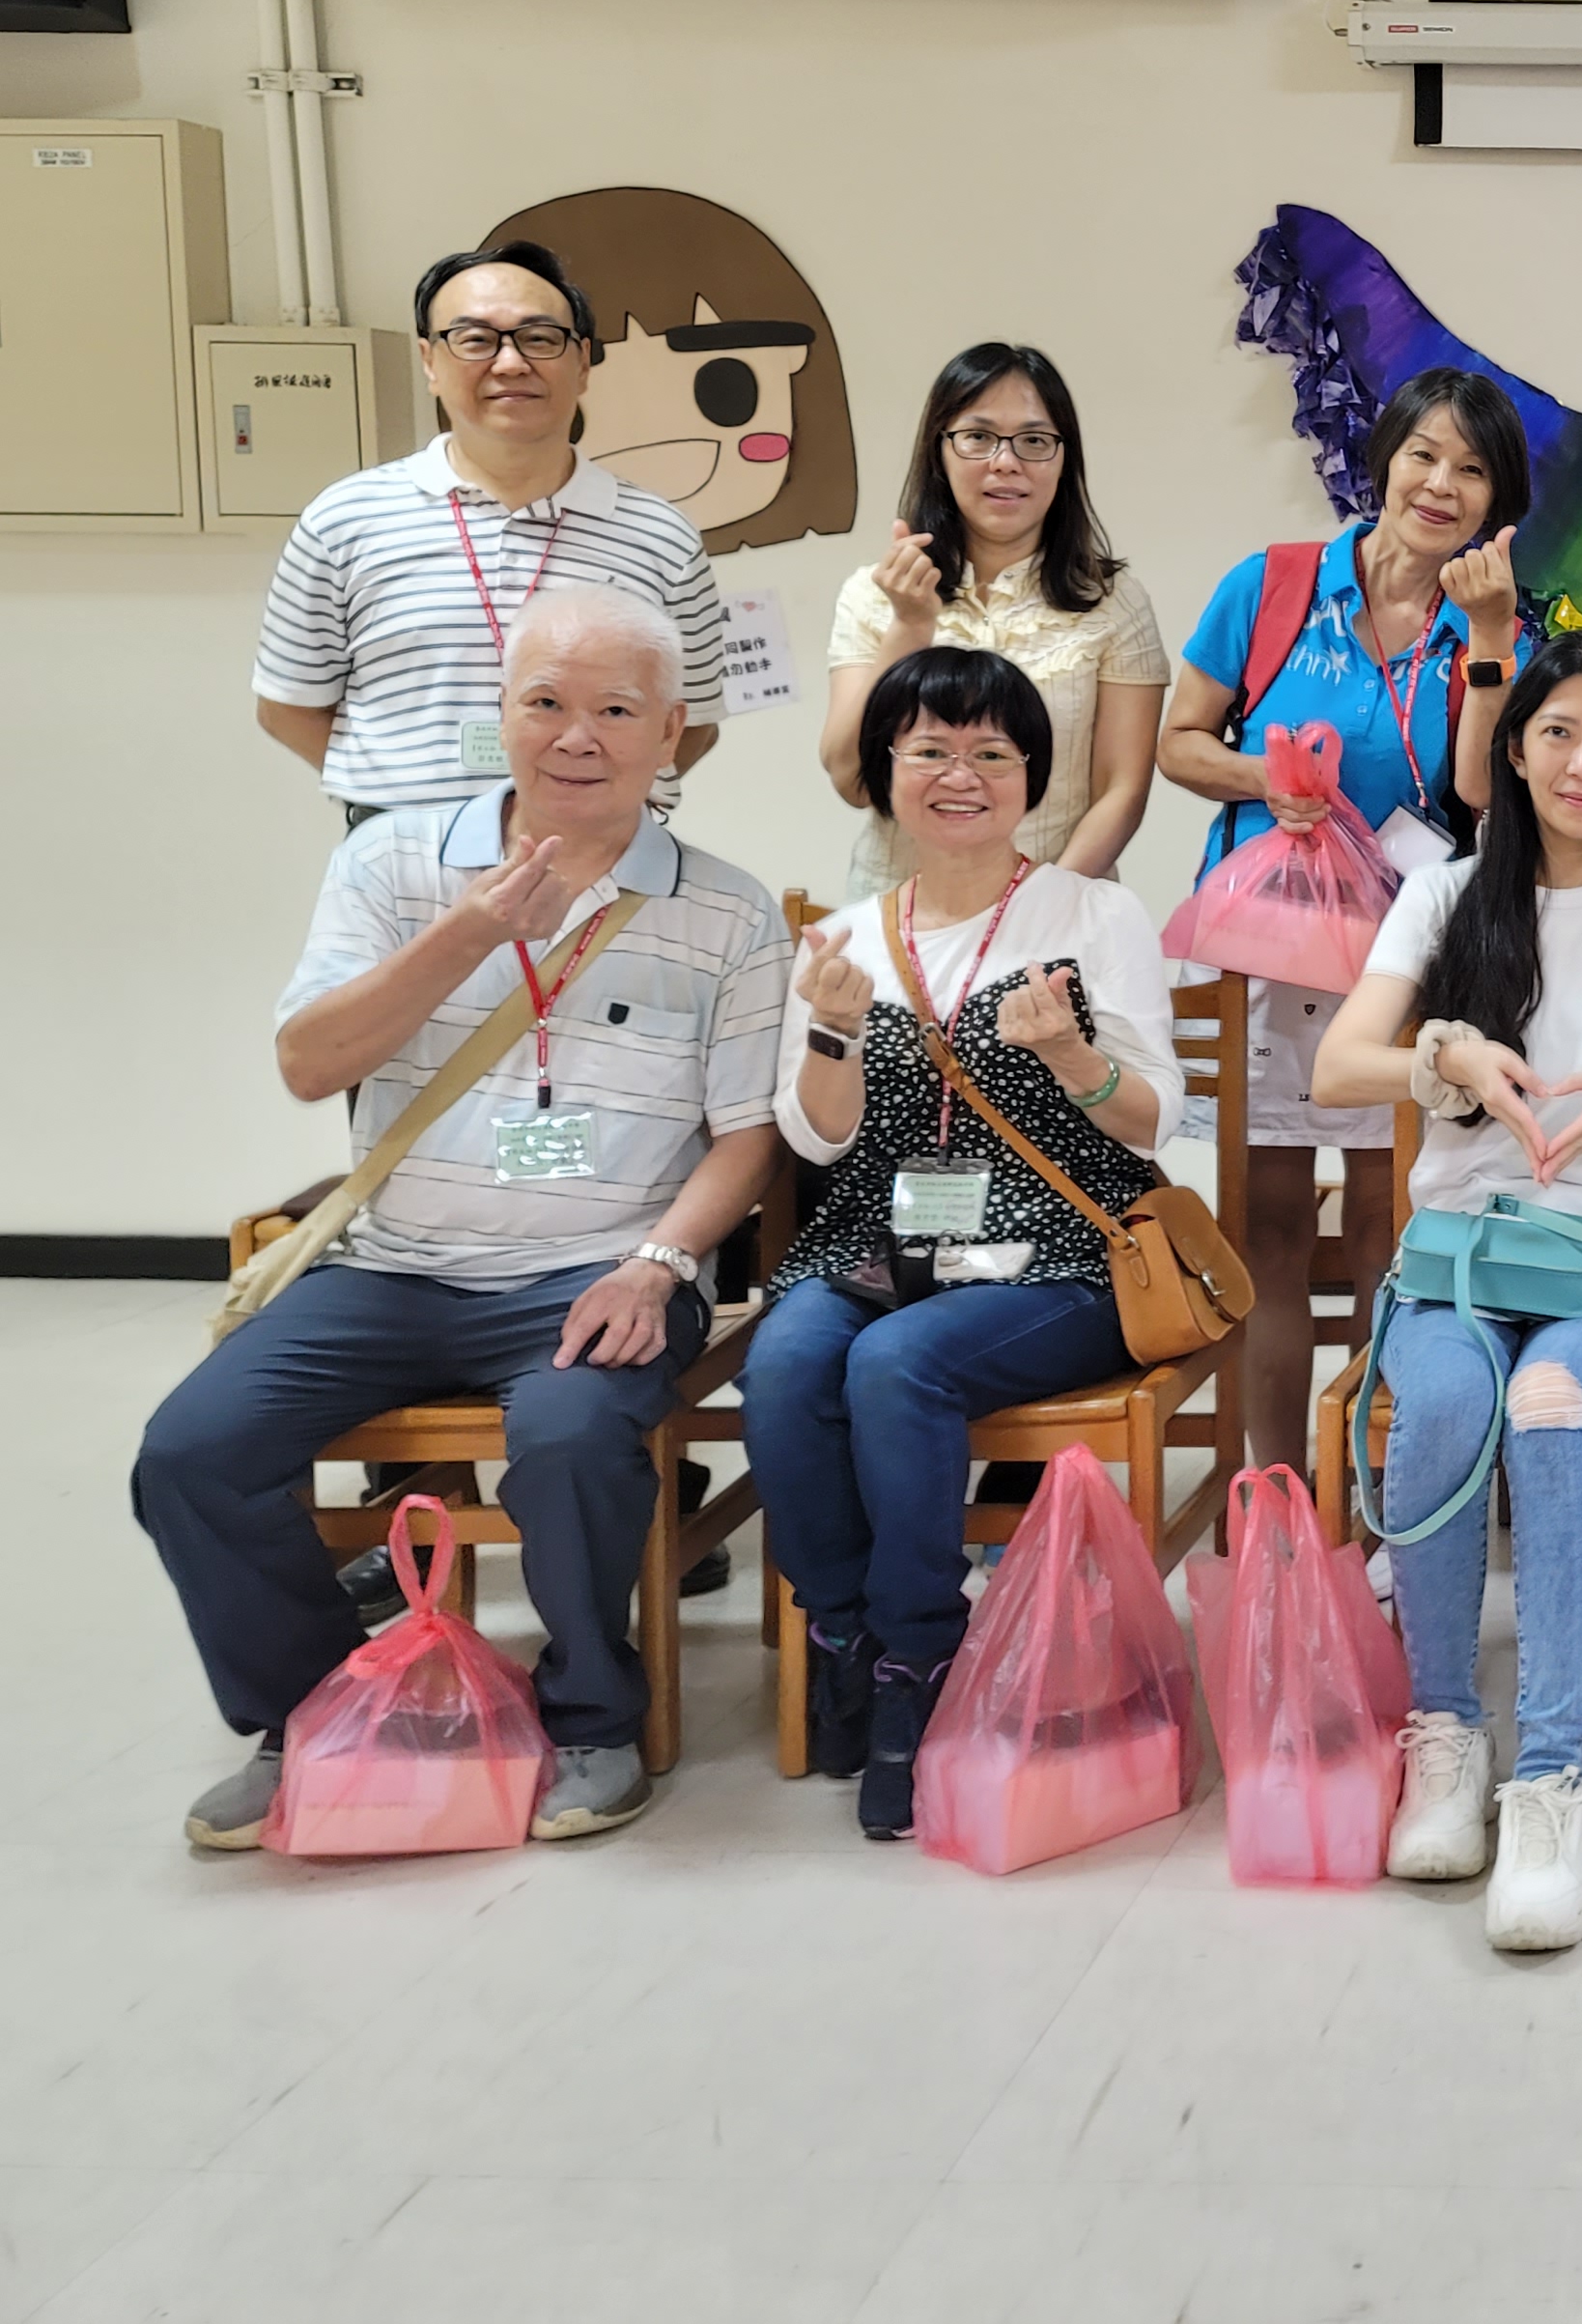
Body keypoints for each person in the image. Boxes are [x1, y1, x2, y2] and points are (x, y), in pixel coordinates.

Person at [139, 587, 787, 1849]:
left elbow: (747, 1135)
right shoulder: (389, 862)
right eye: (545, 703)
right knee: (191, 1451)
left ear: (672, 733)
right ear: (504, 714)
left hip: (597, 1270)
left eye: (616, 711)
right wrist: (471, 929)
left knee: (569, 1435)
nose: (577, 737)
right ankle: (318, 1715)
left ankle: (592, 1719)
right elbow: (310, 1065)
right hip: (392, 1269)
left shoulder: (727, 910)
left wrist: (660, 1264)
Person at [1313, 634, 1582, 1950]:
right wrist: (1441, 1057)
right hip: (1458, 1255)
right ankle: (1445, 1736)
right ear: (1512, 752)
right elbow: (1340, 1064)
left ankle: (1551, 1782)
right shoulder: (1446, 894)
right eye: (1560, 732)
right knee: (1449, 1406)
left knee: (1552, 1403)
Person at [743, 645, 1185, 1840]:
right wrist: (831, 1035)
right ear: (883, 772)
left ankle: (917, 1663)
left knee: (897, 1365)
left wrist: (1073, 1056)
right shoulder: (842, 939)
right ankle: (843, 1633)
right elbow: (816, 1140)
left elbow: (1156, 1119)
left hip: (1060, 1252)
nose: (961, 774)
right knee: (783, 1366)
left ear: (1031, 776)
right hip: (878, 1242)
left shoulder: (1092, 913)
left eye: (992, 752)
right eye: (930, 749)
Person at [1157, 367, 1531, 1479]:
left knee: (1388, 1227)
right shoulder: (1273, 585)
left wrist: (1491, 637)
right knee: (1265, 1229)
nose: (1441, 485)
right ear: (1384, 460)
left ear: (1497, 499)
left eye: (1471, 469)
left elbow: (1479, 795)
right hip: (1268, 950)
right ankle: (1275, 1490)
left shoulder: (1494, 622)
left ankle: (1377, 1494)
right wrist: (1261, 779)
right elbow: (1181, 741)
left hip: (1406, 961)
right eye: (1424, 455)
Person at [257, 241, 729, 821]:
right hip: (405, 857)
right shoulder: (343, 521)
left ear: (582, 363)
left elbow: (694, 718)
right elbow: (287, 706)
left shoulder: (660, 536)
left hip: (597, 855)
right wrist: (403, 807)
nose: (510, 363)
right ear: (430, 362)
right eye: (476, 340)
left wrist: (593, 805)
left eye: (540, 338)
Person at [820, 343, 1167, 897]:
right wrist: (910, 626)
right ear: (939, 449)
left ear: (1064, 459)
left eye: (1034, 440)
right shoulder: (873, 593)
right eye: (978, 437)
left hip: (1059, 908)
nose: (1005, 462)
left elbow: (1121, 790)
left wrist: (1041, 905)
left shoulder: (1113, 600)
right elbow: (852, 781)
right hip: (900, 907)